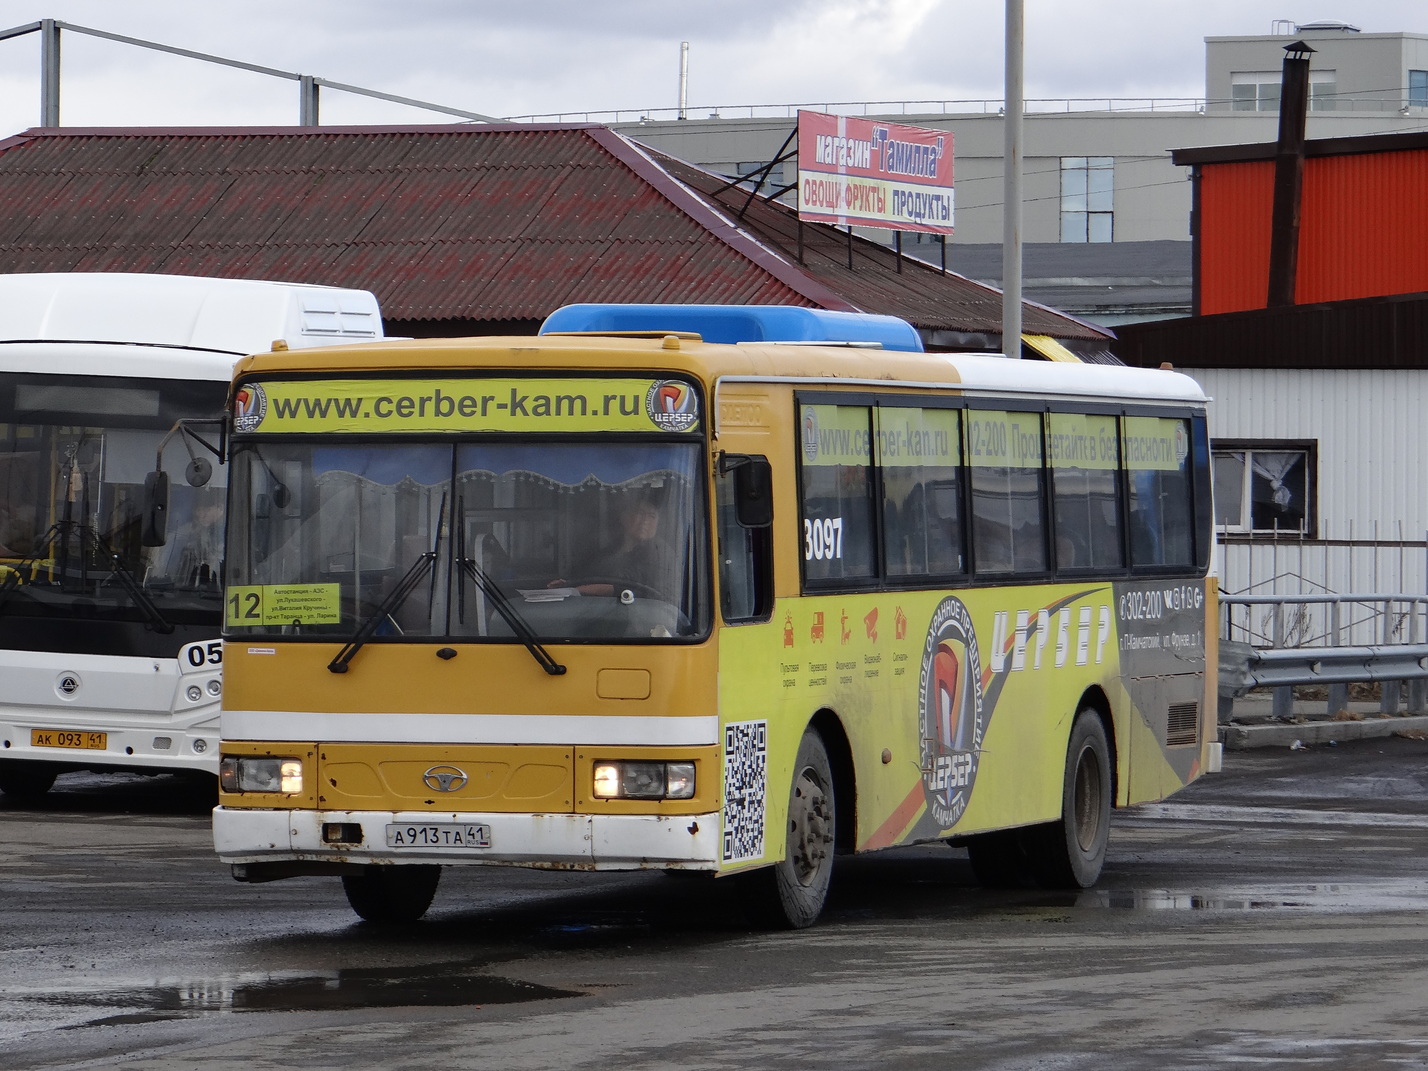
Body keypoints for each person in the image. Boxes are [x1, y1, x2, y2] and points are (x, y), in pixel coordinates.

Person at [550, 493, 675, 599]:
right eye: (640, 513)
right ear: (624, 516)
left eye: (651, 516)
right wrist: (568, 584)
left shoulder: (659, 552)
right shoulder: (610, 551)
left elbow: (626, 587)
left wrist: (576, 589)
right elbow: (594, 576)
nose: (645, 520)